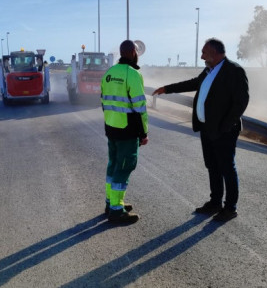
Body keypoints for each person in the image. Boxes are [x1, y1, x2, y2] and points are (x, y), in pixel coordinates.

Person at [152, 37, 249, 222]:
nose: (202, 55)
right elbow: (192, 84)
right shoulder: (209, 70)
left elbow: (241, 102)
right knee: (212, 166)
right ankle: (215, 202)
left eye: (204, 52)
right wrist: (167, 89)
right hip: (207, 128)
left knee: (227, 168)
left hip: (224, 131)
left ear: (214, 53)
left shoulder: (234, 71)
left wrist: (225, 127)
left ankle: (230, 208)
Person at [101, 40, 148, 224]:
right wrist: (144, 133)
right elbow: (140, 108)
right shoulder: (133, 74)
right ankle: (116, 210)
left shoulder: (109, 73)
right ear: (132, 52)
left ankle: (111, 202)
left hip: (111, 128)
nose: (138, 54)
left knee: (113, 165)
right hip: (127, 131)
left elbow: (104, 102)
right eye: (137, 51)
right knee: (124, 167)